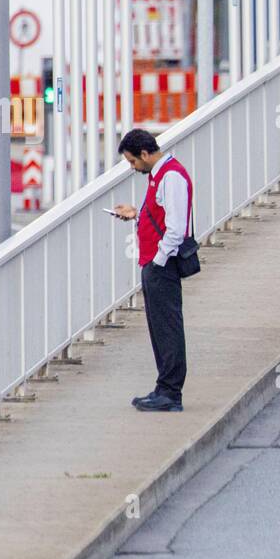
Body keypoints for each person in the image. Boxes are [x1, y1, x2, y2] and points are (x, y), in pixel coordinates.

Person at [113, 129, 193, 413]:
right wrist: (137, 214)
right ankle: (164, 387)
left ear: (145, 154)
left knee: (167, 327)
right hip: (155, 263)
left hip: (162, 265)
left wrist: (157, 262)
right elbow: (162, 213)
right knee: (159, 328)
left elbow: (176, 228)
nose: (133, 168)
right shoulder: (159, 175)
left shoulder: (170, 177)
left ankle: (171, 392)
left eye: (133, 162)